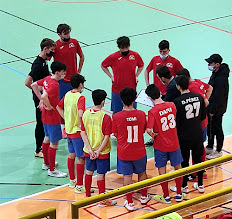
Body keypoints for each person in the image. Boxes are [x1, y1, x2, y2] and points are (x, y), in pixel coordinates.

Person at [112, 87, 151, 211]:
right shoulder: (141, 114)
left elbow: (115, 134)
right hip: (139, 150)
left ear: (121, 100)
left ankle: (130, 203)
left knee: (127, 177)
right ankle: (144, 197)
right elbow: (144, 130)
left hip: (124, 152)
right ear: (134, 100)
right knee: (142, 173)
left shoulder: (117, 116)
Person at [145, 84, 185, 204]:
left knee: (162, 170)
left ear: (149, 98)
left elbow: (148, 130)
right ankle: (178, 194)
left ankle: (166, 197)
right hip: (174, 143)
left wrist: (154, 136)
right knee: (178, 168)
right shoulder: (172, 105)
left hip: (161, 145)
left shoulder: (152, 111)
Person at [57, 74, 94, 192]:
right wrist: (82, 124)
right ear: (80, 84)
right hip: (77, 132)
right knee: (81, 158)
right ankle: (79, 185)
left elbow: (58, 107)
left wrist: (67, 119)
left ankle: (72, 181)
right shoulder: (80, 97)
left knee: (71, 155)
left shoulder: (67, 94)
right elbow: (80, 114)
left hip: (68, 130)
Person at [31, 61, 68, 178]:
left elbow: (33, 85)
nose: (64, 73)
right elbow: (44, 95)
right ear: (57, 72)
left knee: (47, 138)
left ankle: (46, 164)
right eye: (63, 72)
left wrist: (42, 102)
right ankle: (52, 170)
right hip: (52, 115)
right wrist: (48, 105)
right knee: (54, 143)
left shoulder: (47, 78)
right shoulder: (55, 84)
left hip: (45, 115)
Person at [81, 89, 117, 207]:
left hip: (89, 150)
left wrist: (90, 150)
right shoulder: (105, 117)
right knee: (101, 175)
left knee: (89, 172)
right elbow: (107, 136)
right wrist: (98, 151)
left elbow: (83, 133)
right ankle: (102, 200)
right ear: (103, 102)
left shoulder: (85, 114)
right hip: (102, 151)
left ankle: (87, 196)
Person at [173, 75, 206, 193]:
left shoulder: (177, 102)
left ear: (178, 86)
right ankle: (201, 184)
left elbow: (177, 122)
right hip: (198, 132)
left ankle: (184, 186)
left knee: (184, 160)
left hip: (184, 135)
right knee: (198, 159)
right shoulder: (198, 97)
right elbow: (203, 116)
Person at [52, 24, 85, 137]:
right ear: (59, 34)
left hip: (74, 79)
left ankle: (77, 124)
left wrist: (79, 69)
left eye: (68, 33)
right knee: (63, 104)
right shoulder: (55, 46)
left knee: (77, 103)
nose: (68, 35)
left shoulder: (74, 42)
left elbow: (81, 56)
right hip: (62, 81)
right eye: (65, 34)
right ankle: (64, 127)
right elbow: (47, 59)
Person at [25, 38, 56, 158]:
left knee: (44, 122)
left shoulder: (44, 61)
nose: (52, 53)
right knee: (40, 122)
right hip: (40, 99)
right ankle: (38, 149)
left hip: (43, 96)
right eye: (51, 50)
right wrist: (39, 95)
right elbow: (28, 82)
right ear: (45, 49)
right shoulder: (38, 64)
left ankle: (44, 145)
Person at [101, 36, 144, 115]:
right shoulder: (113, 57)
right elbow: (103, 65)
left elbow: (141, 65)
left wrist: (136, 75)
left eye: (126, 47)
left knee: (133, 112)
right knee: (116, 112)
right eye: (122, 48)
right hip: (117, 89)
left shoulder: (135, 55)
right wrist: (111, 76)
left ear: (129, 46)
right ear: (119, 47)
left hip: (131, 89)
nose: (124, 50)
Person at [145, 65, 181, 146]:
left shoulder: (171, 87)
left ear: (163, 78)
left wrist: (156, 99)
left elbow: (164, 103)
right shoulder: (175, 80)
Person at [205, 54, 230, 159]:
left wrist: (213, 110)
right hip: (212, 106)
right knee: (210, 127)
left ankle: (219, 150)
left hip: (217, 109)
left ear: (217, 64)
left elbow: (218, 96)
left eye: (211, 63)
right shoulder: (215, 73)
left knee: (217, 128)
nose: (209, 64)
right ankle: (210, 146)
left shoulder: (221, 79)